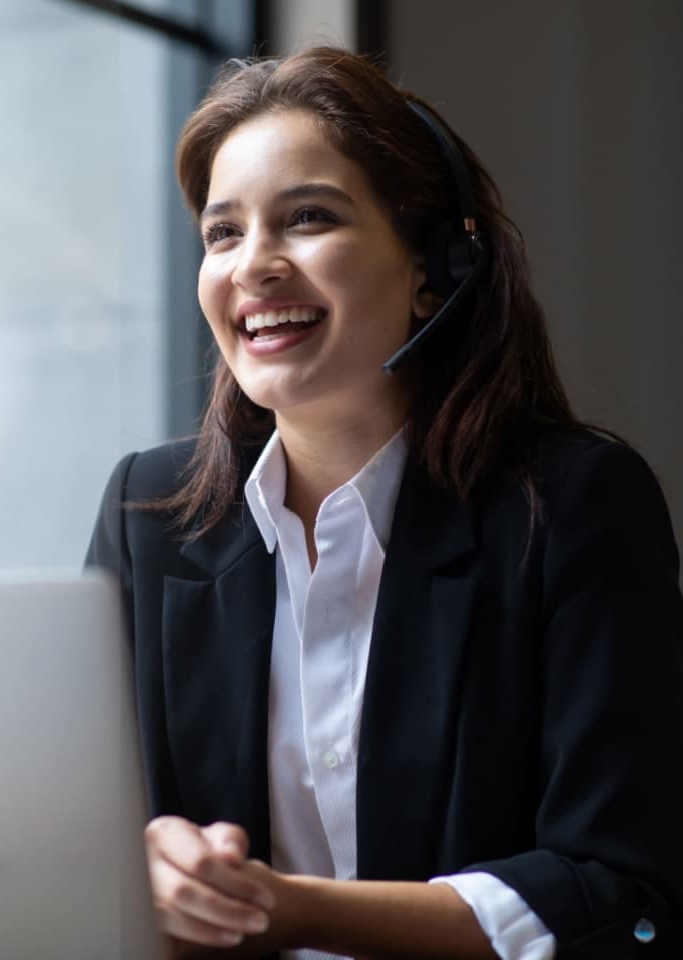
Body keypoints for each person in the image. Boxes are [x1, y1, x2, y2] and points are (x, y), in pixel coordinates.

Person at [87, 46, 683, 960]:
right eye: (223, 233)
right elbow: (68, 837)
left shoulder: (571, 507)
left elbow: (620, 888)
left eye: (308, 218)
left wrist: (287, 909)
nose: (254, 265)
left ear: (430, 270)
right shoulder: (151, 517)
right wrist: (141, 866)